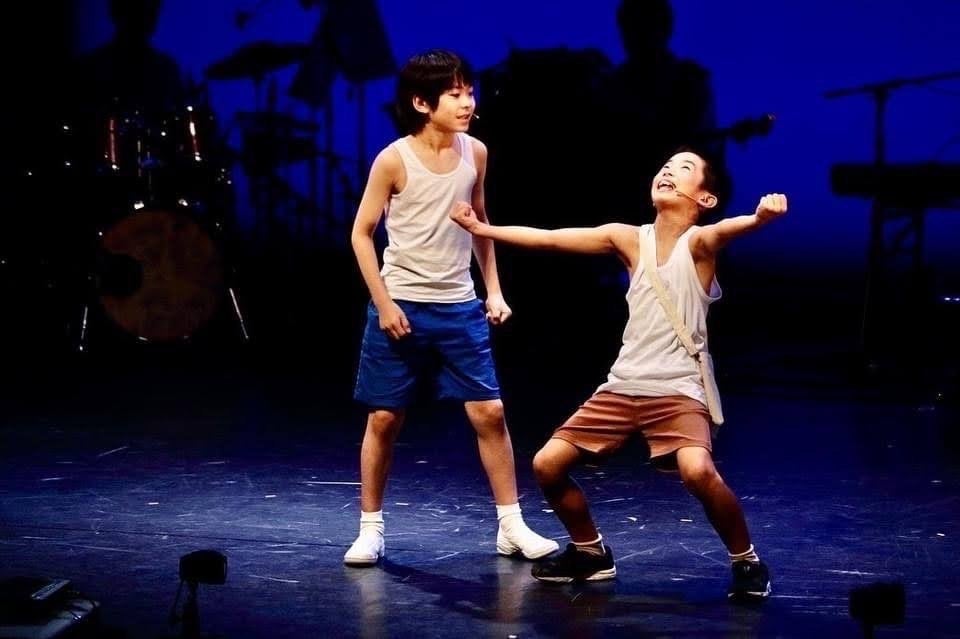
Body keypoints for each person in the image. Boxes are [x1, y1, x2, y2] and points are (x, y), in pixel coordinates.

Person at [449, 147, 786, 601]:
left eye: (684, 168)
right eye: (665, 166)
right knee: (547, 464)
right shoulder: (628, 239)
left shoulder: (699, 245)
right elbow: (551, 239)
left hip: (677, 389)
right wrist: (481, 229)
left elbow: (727, 229)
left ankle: (746, 560)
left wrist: (760, 218)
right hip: (623, 385)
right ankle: (591, 553)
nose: (668, 171)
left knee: (697, 470)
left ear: (705, 199)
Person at [345, 49, 559, 566]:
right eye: (454, 94)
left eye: (469, 92)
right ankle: (370, 529)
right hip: (402, 304)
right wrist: (384, 303)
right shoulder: (394, 159)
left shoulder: (475, 153)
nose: (468, 103)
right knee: (384, 418)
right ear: (422, 103)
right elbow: (361, 234)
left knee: (490, 412)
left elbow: (480, 225)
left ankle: (511, 525)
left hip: (458, 306)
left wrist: (494, 291)